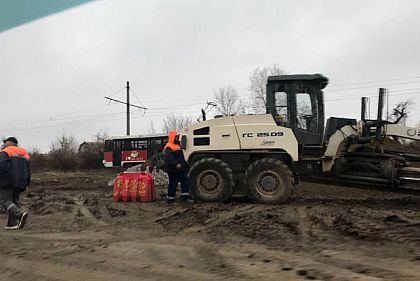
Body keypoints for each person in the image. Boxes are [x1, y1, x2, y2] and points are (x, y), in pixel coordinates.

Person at [0, 137, 30, 230]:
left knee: (5, 200)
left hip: (7, 181)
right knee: (13, 201)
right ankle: (12, 223)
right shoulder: (25, 153)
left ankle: (19, 215)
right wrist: (27, 182)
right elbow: (28, 170)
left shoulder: (6, 151)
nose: (4, 144)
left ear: (10, 143)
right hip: (20, 182)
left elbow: (1, 165)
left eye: (5, 142)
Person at [163, 130, 193, 204]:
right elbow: (168, 157)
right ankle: (170, 199)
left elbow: (181, 157)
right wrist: (176, 164)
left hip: (180, 169)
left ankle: (185, 197)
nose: (178, 137)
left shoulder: (178, 145)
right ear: (172, 137)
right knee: (173, 184)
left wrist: (185, 165)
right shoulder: (169, 146)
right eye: (176, 136)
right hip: (173, 169)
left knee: (185, 182)